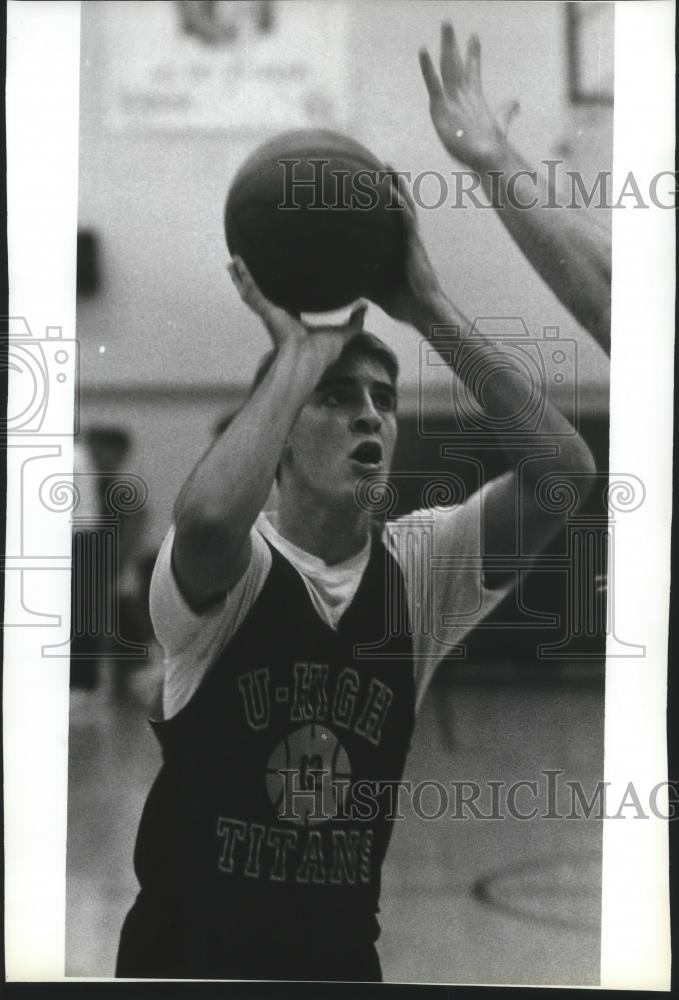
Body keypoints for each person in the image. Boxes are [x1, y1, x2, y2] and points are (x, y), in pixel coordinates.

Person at [116, 26, 601, 983]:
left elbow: (563, 477)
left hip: (342, 960)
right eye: (340, 401)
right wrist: (300, 354)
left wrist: (431, 313)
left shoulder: (419, 569)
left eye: (382, 400)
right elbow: (209, 520)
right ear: (281, 430)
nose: (370, 417)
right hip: (186, 964)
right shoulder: (235, 570)